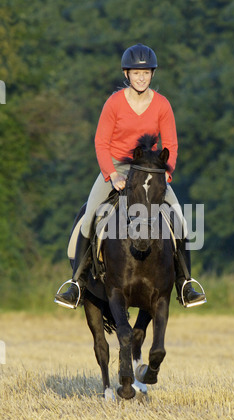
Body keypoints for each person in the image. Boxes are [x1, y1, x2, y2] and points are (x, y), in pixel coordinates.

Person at [54, 43, 206, 309]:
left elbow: (171, 144)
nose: (141, 77)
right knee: (90, 216)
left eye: (146, 72)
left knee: (180, 219)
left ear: (152, 74)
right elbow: (101, 142)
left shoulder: (162, 105)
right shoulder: (113, 103)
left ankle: (185, 284)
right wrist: (111, 175)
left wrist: (165, 176)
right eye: (136, 73)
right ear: (126, 74)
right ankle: (76, 284)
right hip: (115, 167)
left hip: (150, 170)